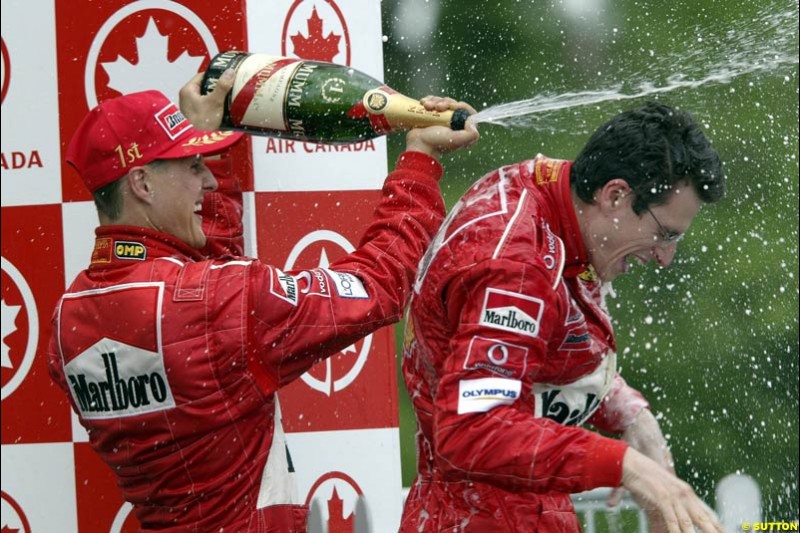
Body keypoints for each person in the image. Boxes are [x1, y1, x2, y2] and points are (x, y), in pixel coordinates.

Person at [47, 68, 478, 532]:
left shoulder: (66, 323)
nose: (207, 183)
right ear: (143, 185)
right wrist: (420, 160)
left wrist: (203, 134)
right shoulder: (216, 302)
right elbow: (379, 284)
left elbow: (197, 298)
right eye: (193, 168)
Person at [400, 102, 727, 533]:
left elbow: (546, 344)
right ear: (615, 195)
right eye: (664, 234)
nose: (665, 257)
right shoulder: (517, 265)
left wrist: (629, 413)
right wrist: (627, 467)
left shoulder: (551, 195)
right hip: (481, 518)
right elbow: (472, 428)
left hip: (511, 508)